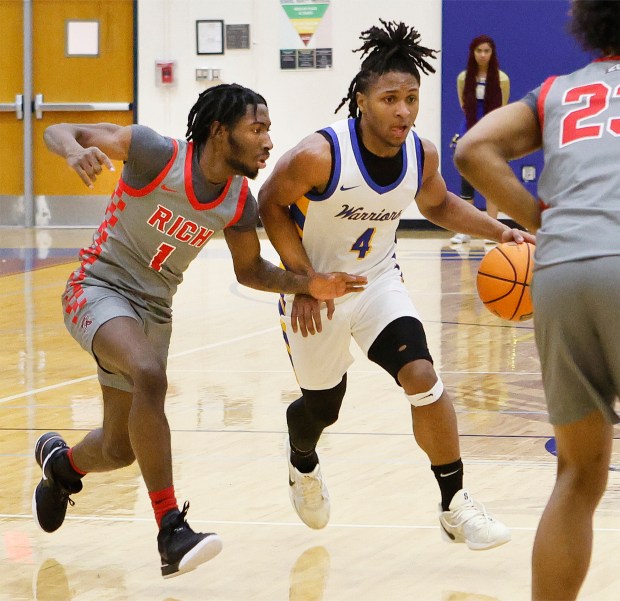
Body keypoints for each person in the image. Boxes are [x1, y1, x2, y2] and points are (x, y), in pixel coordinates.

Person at [33, 83, 367, 579]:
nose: (268, 142)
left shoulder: (238, 201)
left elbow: (250, 271)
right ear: (219, 130)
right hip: (96, 286)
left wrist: (308, 284)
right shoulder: (154, 154)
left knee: (120, 449)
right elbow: (59, 129)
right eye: (257, 129)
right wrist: (76, 151)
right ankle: (171, 530)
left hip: (153, 311)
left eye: (269, 131)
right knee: (148, 373)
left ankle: (61, 469)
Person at [258, 20, 534, 550]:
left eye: (411, 98)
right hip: (318, 290)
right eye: (389, 99)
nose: (403, 110)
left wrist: (500, 229)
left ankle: (454, 502)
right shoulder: (319, 154)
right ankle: (302, 464)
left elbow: (437, 204)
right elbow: (268, 203)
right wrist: (303, 281)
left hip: (378, 282)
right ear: (361, 101)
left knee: (422, 374)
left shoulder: (421, 153)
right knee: (323, 407)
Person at [454, 1, 620, 598]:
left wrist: (544, 220)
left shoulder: (559, 91)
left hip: (563, 269)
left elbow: (472, 149)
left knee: (577, 475)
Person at [450, 34, 510, 245]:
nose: (483, 55)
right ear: (473, 53)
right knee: (466, 179)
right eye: (479, 51)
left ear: (492, 53)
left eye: (487, 51)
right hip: (468, 127)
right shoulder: (463, 78)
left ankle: (493, 228)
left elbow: (502, 106)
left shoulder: (502, 78)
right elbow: (463, 105)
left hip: (492, 129)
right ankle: (464, 230)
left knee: (492, 179)